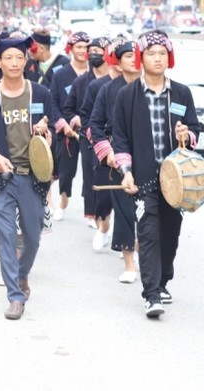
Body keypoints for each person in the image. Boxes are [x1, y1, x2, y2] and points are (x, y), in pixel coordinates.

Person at [112, 30, 199, 318]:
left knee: (170, 234)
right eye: (152, 53)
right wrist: (126, 171)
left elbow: (195, 128)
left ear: (169, 57)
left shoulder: (182, 92)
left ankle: (163, 281)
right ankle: (151, 294)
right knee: (148, 233)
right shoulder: (127, 95)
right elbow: (121, 139)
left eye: (162, 53)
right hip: (144, 179)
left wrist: (186, 134)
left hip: (176, 181)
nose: (158, 58)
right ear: (141, 57)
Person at [0, 36, 54, 320]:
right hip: (1, 179)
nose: (15, 63)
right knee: (5, 237)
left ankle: (23, 273)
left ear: (26, 60)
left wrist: (44, 132)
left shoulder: (40, 93)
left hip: (32, 178)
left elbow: (51, 132)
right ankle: (14, 296)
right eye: (9, 58)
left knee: (32, 235)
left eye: (19, 57)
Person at [90, 39, 140, 282]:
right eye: (128, 56)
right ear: (118, 62)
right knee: (124, 209)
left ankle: (144, 250)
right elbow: (95, 124)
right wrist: (108, 152)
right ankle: (129, 262)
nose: (133, 59)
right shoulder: (107, 90)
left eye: (137, 55)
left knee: (147, 211)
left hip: (147, 157)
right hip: (117, 157)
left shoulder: (151, 87)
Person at [62, 36, 110, 230]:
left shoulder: (116, 81)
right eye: (92, 52)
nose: (94, 55)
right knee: (91, 174)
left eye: (99, 51)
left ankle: (107, 213)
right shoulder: (82, 82)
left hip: (112, 136)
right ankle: (92, 213)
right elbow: (69, 108)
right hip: (88, 135)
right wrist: (77, 121)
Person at [49, 32, 89, 221]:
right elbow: (53, 102)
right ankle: (63, 201)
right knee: (66, 171)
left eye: (86, 47)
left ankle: (92, 212)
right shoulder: (61, 74)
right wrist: (63, 125)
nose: (83, 51)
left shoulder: (96, 73)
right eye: (79, 47)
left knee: (92, 172)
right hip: (66, 132)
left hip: (90, 130)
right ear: (71, 49)